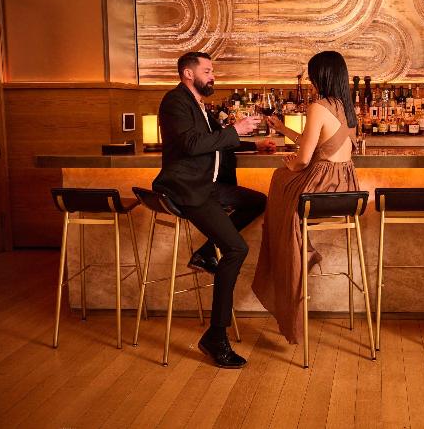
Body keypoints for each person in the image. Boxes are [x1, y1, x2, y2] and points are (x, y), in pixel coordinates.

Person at [153, 51, 274, 369]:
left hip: (208, 186)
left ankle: (206, 252)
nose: (212, 76)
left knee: (257, 201)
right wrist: (236, 129)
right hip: (188, 189)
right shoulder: (174, 102)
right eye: (207, 70)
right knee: (236, 249)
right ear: (188, 73)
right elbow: (192, 145)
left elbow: (214, 142)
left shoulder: (199, 105)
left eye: (212, 71)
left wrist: (253, 144)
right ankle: (216, 337)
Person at [252, 50, 360, 344]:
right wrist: (283, 128)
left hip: (321, 187)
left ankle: (298, 252)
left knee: (279, 180)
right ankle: (304, 246)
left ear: (319, 76)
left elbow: (302, 160)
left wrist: (292, 165)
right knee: (285, 189)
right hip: (347, 189)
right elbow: (319, 143)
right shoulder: (347, 107)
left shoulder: (318, 106)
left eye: (312, 75)